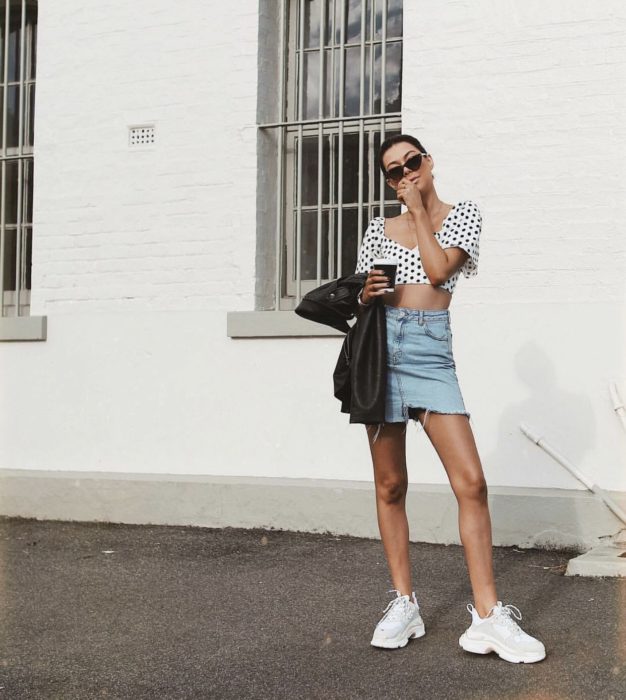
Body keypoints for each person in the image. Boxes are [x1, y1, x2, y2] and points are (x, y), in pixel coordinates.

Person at [355, 133, 546, 663]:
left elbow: (439, 271)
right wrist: (365, 292)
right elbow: (363, 294)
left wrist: (418, 210)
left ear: (429, 162)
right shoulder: (376, 229)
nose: (404, 175)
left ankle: (487, 618)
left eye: (411, 163)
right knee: (390, 484)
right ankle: (404, 603)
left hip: (430, 350)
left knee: (471, 482)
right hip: (382, 351)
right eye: (393, 172)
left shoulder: (463, 215)